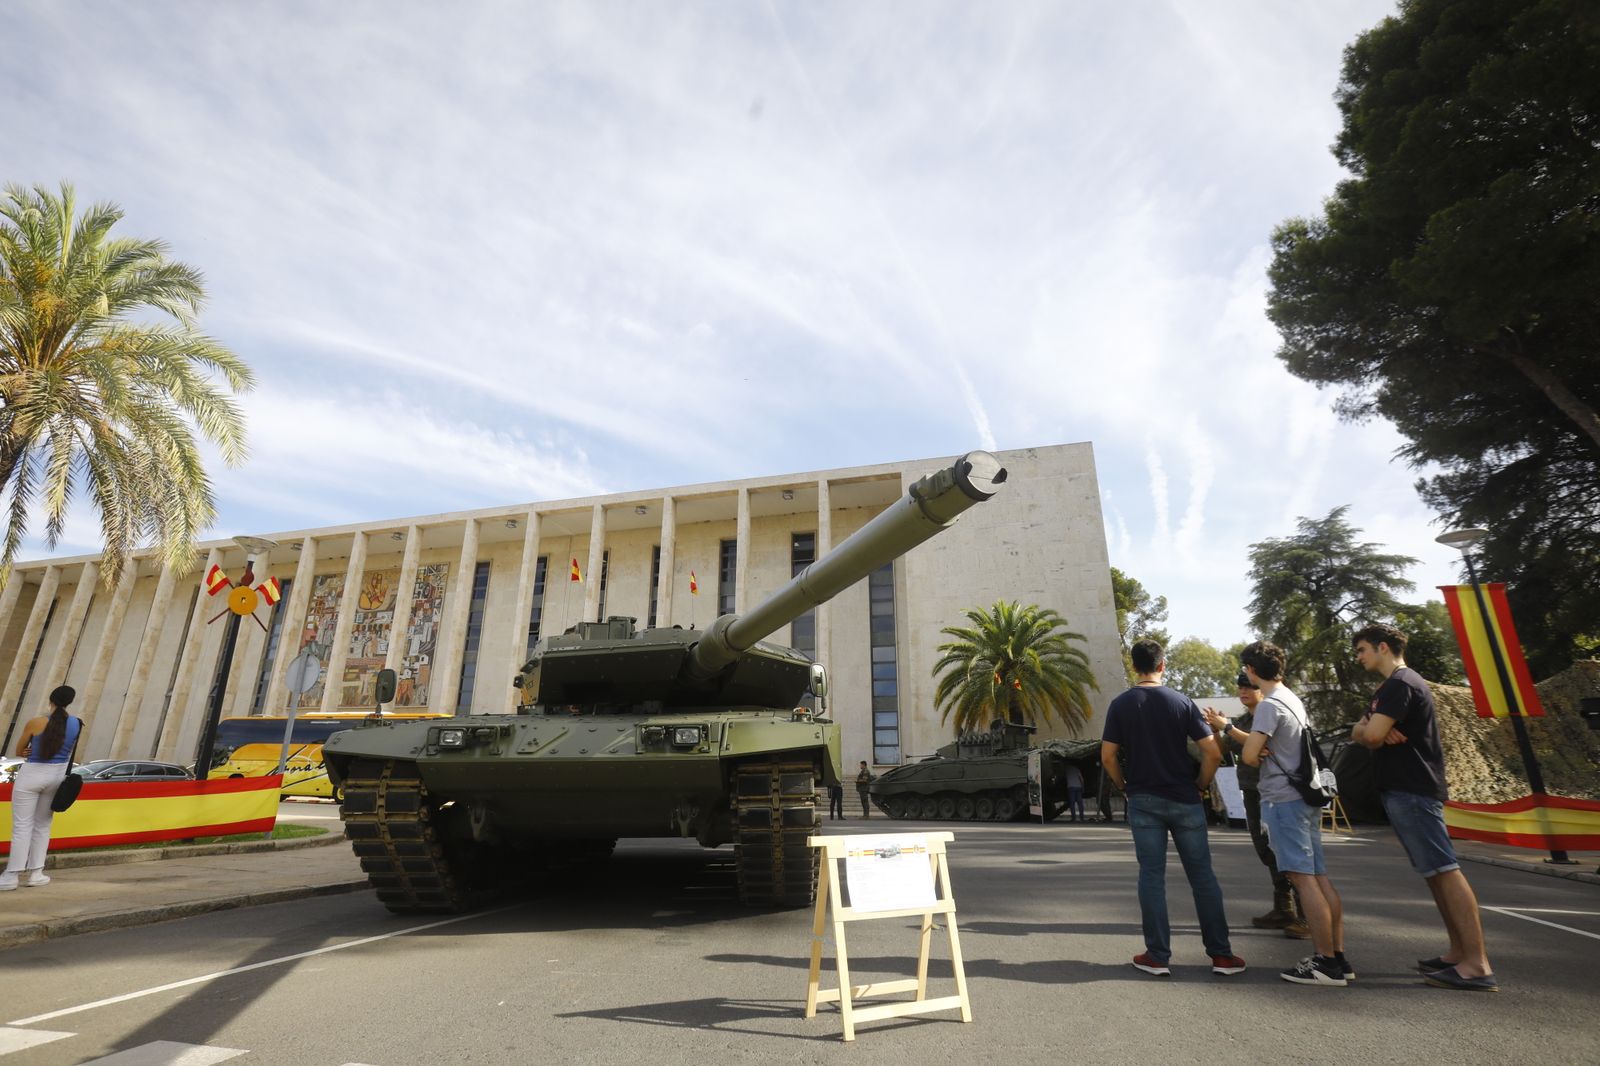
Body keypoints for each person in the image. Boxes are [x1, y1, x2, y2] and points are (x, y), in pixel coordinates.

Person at [1352, 624, 1498, 992]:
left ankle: (1477, 965)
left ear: (1383, 648)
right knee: (1434, 873)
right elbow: (1362, 731)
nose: (1358, 657)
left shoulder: (1401, 683)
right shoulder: (1390, 687)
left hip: (1412, 790)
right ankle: (1458, 953)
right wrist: (1372, 729)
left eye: (1362, 649)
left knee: (1444, 870)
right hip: (1405, 791)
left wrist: (1372, 730)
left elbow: (1369, 735)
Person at [1101, 639, 1244, 977]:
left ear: (1134, 667)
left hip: (1143, 799)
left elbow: (1107, 756)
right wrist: (1200, 785)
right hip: (1184, 798)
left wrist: (1124, 786)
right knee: (1202, 876)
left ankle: (1157, 955)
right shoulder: (1182, 702)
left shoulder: (1121, 705)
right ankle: (1221, 955)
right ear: (1162, 665)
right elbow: (1212, 753)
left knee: (1151, 877)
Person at [1237, 641, 1352, 987]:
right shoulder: (1291, 698)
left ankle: (1325, 962)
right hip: (1305, 796)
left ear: (1251, 671)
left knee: (1302, 879)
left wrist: (1257, 748)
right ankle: (1337, 956)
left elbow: (1249, 755)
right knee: (1318, 876)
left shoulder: (1269, 706)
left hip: (1283, 800)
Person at [1204, 671, 1309, 939]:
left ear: (1261, 688)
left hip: (1274, 791)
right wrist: (1216, 729)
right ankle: (1283, 907)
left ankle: (1306, 914)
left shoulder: (1266, 713)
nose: (1243, 690)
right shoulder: (1243, 720)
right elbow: (1224, 749)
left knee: (1283, 850)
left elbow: (1256, 743)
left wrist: (1227, 727)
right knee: (1265, 849)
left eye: (1249, 686)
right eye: (1240, 686)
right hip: (1252, 789)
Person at [1, 685, 83, 892]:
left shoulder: (36, 722)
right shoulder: (77, 724)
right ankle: (36, 874)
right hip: (56, 777)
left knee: (22, 826)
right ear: (70, 702)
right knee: (43, 825)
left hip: (31, 776)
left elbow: (19, 750)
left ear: (51, 700)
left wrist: (28, 750)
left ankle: (11, 876)